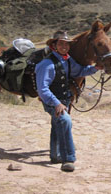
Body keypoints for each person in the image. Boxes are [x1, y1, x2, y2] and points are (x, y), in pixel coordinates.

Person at [35, 30, 102, 172]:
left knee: (57, 123)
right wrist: (56, 103)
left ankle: (55, 155)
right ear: (54, 45)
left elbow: (79, 71)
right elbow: (43, 89)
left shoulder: (67, 60)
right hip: (53, 102)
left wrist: (95, 68)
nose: (64, 46)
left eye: (66, 44)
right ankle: (68, 159)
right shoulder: (47, 64)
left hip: (63, 100)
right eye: (61, 44)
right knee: (65, 121)